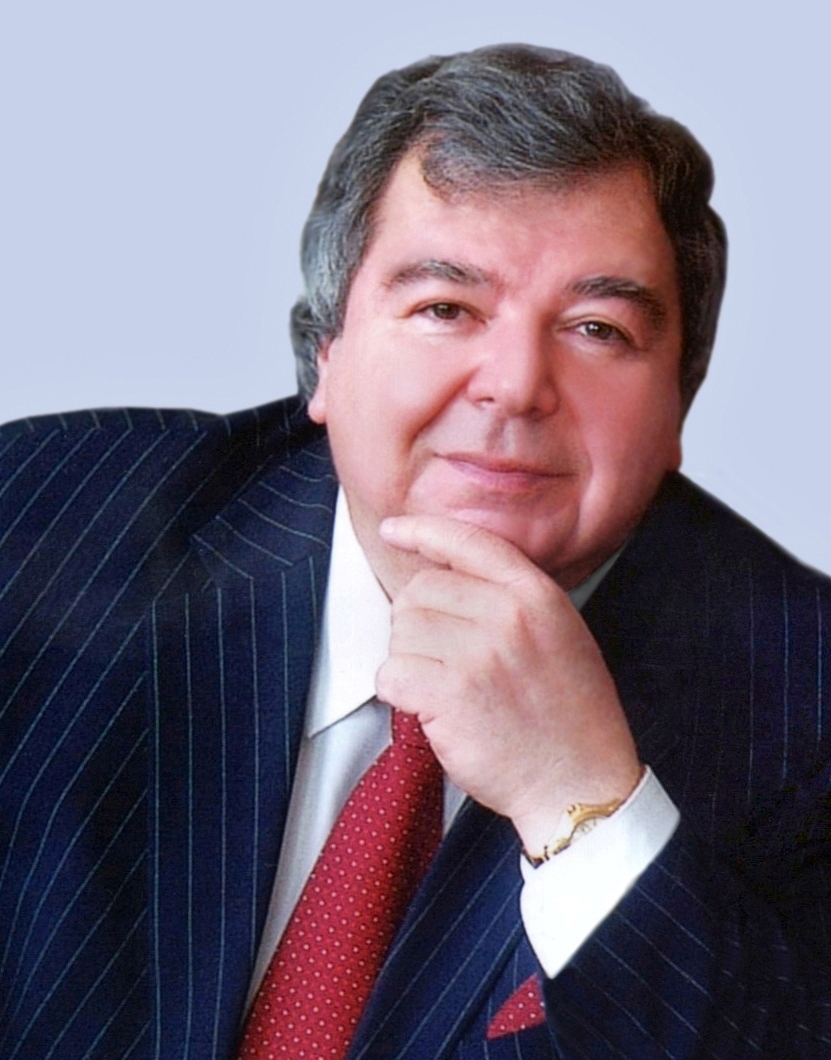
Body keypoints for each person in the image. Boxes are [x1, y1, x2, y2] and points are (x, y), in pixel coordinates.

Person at [0, 43, 829, 1060]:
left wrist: (582, 802)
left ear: (677, 406)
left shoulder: (808, 710)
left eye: (597, 329)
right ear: (326, 355)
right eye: (446, 309)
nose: (515, 384)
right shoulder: (37, 515)